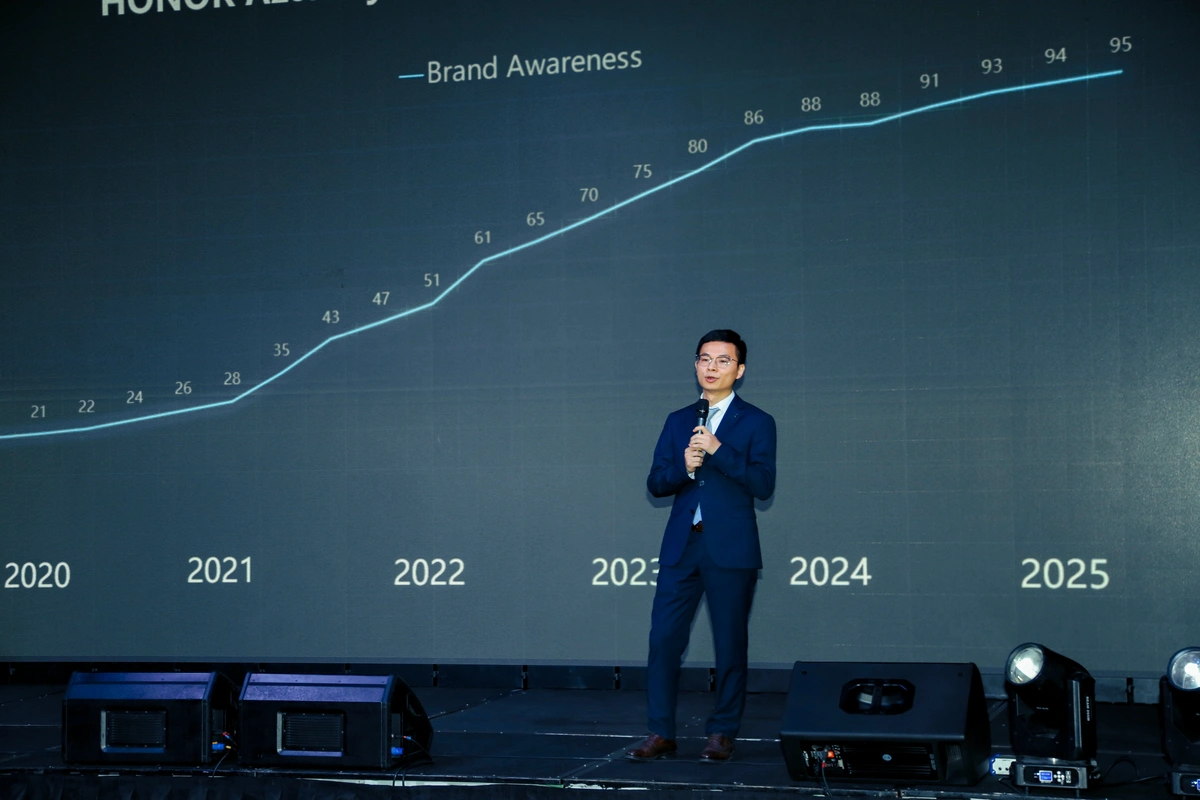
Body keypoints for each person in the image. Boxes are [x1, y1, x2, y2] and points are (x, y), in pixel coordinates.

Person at [627, 329, 777, 763]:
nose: (712, 367)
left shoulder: (757, 421)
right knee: (663, 641)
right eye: (705, 359)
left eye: (723, 361)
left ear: (739, 370)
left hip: (730, 549)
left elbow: (763, 484)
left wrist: (717, 449)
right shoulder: (677, 420)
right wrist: (684, 468)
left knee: (730, 645)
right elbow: (657, 483)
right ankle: (660, 732)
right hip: (682, 547)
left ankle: (722, 732)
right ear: (695, 365)